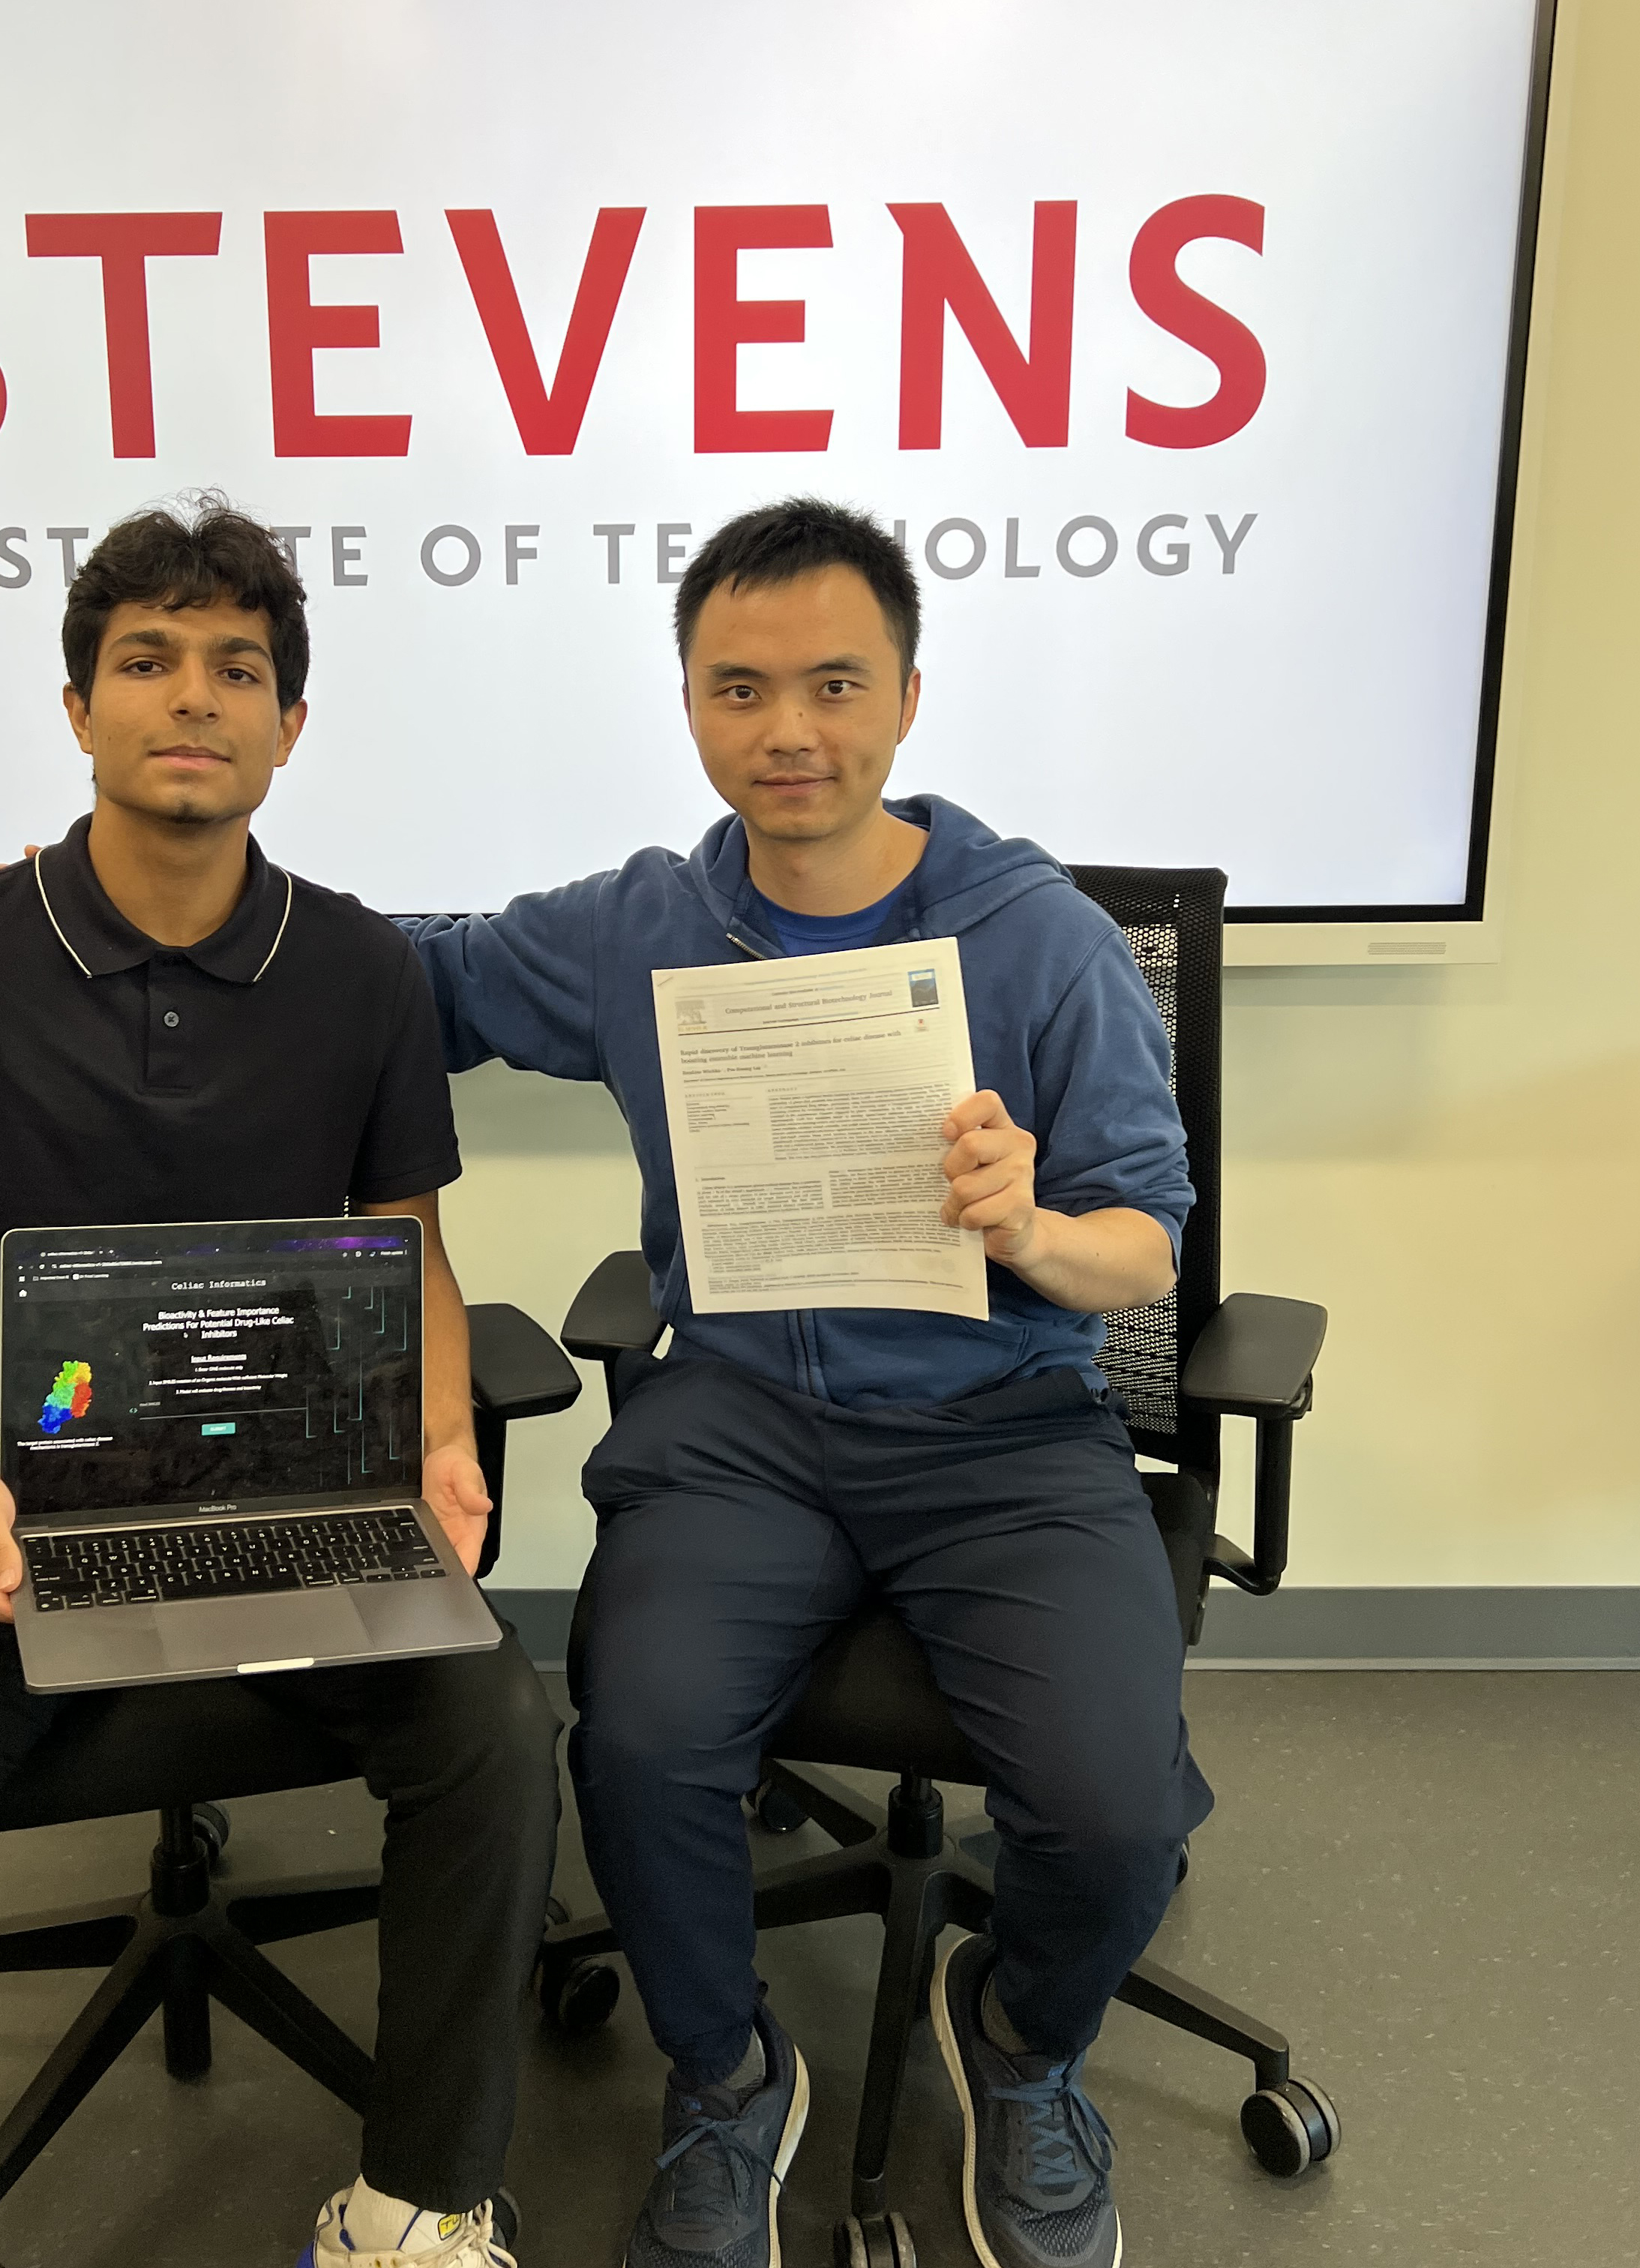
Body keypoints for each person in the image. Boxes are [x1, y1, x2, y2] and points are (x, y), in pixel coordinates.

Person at [0, 498, 559, 2268]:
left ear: (288, 724)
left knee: (499, 1731)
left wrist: (431, 1434)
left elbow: (402, 1240)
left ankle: (417, 2206)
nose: (193, 697)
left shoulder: (358, 970)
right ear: (79, 709)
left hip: (294, 1501)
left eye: (237, 668)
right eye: (147, 661)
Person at [401, 498, 1208, 2268]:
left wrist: (1033, 1229)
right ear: (689, 703)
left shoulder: (1040, 935)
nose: (790, 731)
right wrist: (119, 901)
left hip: (1006, 1426)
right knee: (642, 1737)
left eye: (836, 685)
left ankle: (1018, 2041)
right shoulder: (645, 926)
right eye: (740, 688)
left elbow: (1148, 1244)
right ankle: (723, 2073)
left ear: (910, 694)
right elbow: (405, 972)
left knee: (1113, 1800)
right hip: (745, 1425)